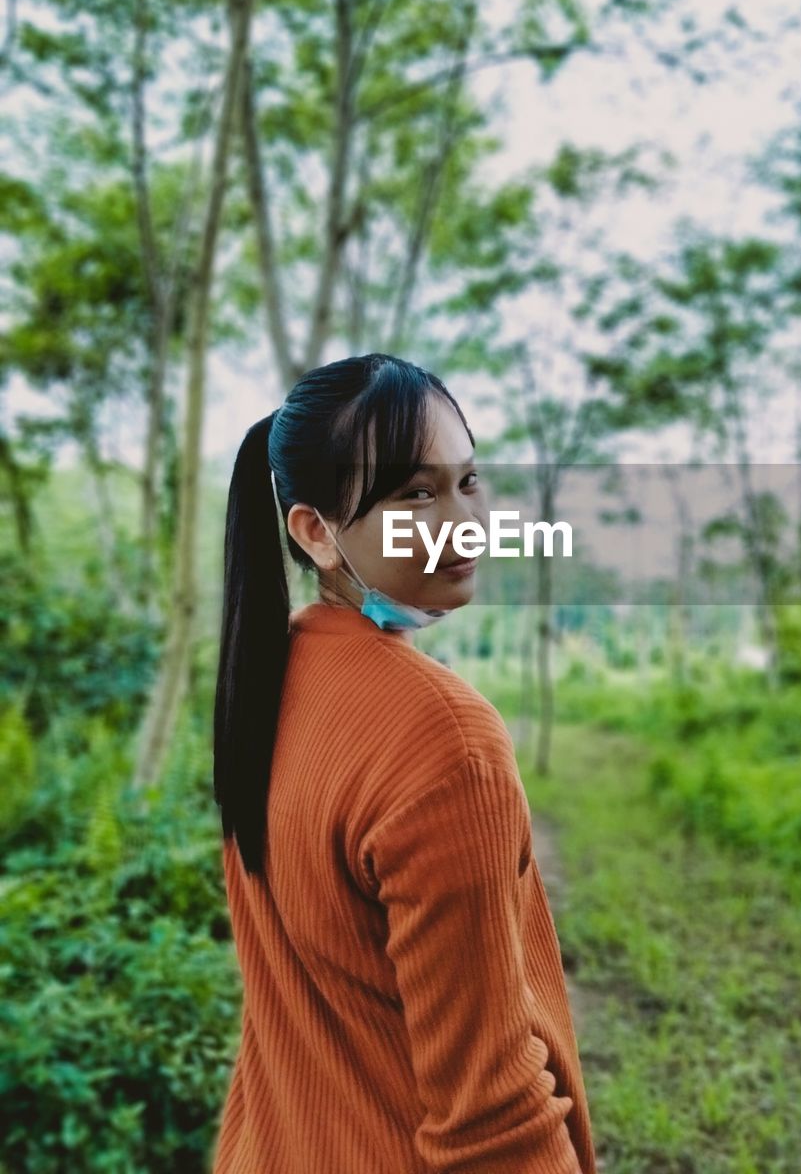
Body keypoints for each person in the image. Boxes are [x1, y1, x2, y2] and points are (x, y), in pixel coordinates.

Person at [211, 353, 597, 1174]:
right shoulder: (445, 739)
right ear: (316, 531)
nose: (463, 519)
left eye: (468, 480)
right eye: (414, 493)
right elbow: (490, 1117)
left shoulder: (275, 678)